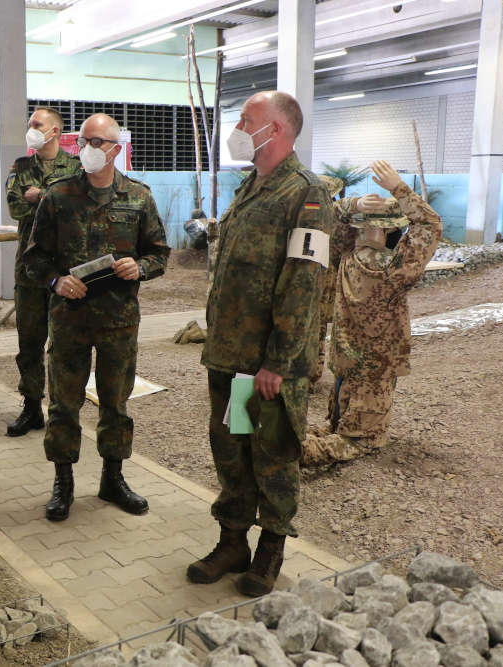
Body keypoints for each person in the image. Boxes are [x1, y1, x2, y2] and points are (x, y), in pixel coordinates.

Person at [188, 91, 333, 597]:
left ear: (277, 129)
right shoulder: (252, 185)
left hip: (267, 362)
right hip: (229, 356)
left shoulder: (306, 194)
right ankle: (232, 542)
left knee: (271, 454)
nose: (238, 127)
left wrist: (279, 360)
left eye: (247, 120)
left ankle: (270, 551)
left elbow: (302, 282)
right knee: (232, 450)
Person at [25, 113, 170, 522]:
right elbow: (34, 260)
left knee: (116, 405)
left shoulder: (138, 197)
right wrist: (57, 281)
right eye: (84, 141)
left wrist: (138, 267)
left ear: (116, 149)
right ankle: (63, 483)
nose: (88, 148)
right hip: (69, 320)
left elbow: (159, 254)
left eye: (97, 142)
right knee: (64, 405)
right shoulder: (58, 196)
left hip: (118, 322)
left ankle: (113, 479)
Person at [303, 160, 441, 465]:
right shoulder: (394, 268)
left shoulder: (345, 258)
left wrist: (353, 205)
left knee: (336, 423)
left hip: (345, 361)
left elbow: (327, 213)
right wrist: (398, 188)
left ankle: (306, 436)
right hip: (375, 369)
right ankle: (290, 451)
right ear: (389, 229)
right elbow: (430, 225)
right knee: (360, 440)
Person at [5, 106, 83, 437]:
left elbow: (77, 210)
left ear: (55, 131)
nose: (31, 128)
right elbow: (15, 207)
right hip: (29, 270)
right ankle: (31, 407)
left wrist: (41, 196)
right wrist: (46, 199)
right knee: (30, 343)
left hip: (64, 271)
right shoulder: (21, 166)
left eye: (37, 124)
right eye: (29, 124)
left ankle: (62, 410)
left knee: (64, 345)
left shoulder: (76, 167)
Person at [309, 174, 346, 386]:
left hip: (312, 281)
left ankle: (307, 373)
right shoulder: (337, 218)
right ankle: (314, 373)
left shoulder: (306, 215)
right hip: (327, 282)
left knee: (309, 328)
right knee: (319, 330)